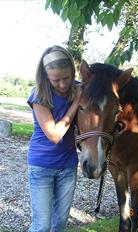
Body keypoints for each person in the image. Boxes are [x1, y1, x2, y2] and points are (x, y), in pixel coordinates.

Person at [27, 45, 81, 232]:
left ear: (73, 71)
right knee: (41, 226)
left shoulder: (78, 89)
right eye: (56, 80)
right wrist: (76, 103)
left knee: (59, 225)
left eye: (67, 78)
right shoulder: (39, 96)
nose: (63, 84)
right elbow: (55, 135)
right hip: (42, 166)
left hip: (68, 166)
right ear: (45, 76)